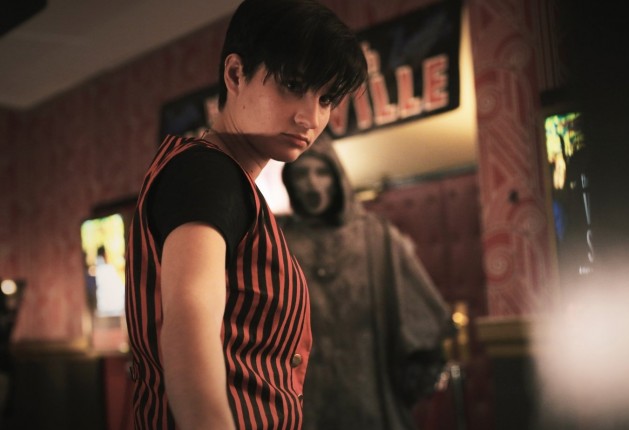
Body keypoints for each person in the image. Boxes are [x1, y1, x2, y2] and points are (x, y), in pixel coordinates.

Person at [125, 1, 367, 429]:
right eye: (293, 84)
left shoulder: (221, 177)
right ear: (236, 74)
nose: (310, 117)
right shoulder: (208, 172)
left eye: (326, 98)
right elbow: (188, 331)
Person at [280, 134, 454, 430]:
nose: (312, 184)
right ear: (290, 182)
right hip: (303, 396)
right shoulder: (279, 239)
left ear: (337, 178)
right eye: (301, 174)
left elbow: (423, 317)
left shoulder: (376, 236)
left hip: (371, 390)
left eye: (321, 172)